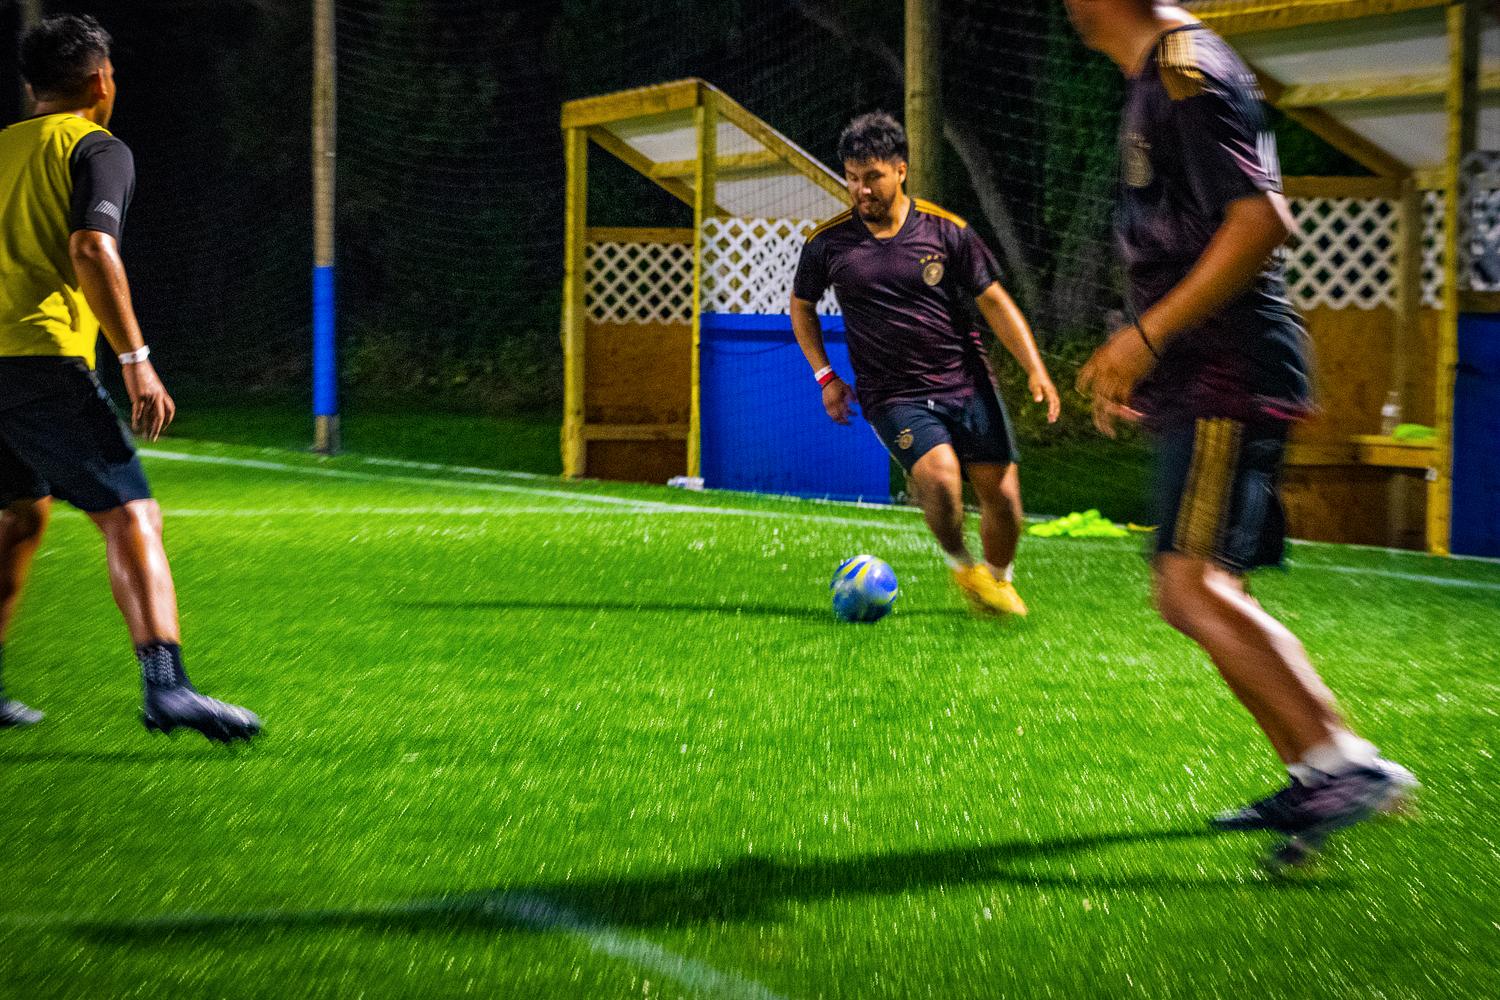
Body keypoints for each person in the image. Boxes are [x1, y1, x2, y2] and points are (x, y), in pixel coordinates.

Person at [1065, 0, 1412, 861]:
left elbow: (1260, 221)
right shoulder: (1163, 72)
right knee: (1215, 587)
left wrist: (1145, 341)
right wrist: (1147, 359)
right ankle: (1316, 773)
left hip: (1230, 373)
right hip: (1210, 371)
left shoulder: (1188, 73)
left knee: (1188, 588)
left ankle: (1348, 763)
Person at [0, 15, 261, 743]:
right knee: (131, 514)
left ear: (32, 86)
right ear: (100, 81)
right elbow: (92, 247)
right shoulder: (95, 146)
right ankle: (167, 687)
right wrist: (136, 359)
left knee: (20, 515)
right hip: (36, 358)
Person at [791, 112, 1060, 616]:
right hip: (893, 394)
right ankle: (962, 566)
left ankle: (998, 580)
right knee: (939, 479)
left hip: (966, 382)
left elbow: (994, 301)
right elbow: (801, 306)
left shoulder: (947, 231)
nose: (861, 190)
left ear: (901, 170)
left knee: (1004, 501)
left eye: (873, 177)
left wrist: (1034, 368)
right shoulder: (827, 243)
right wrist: (825, 376)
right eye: (852, 177)